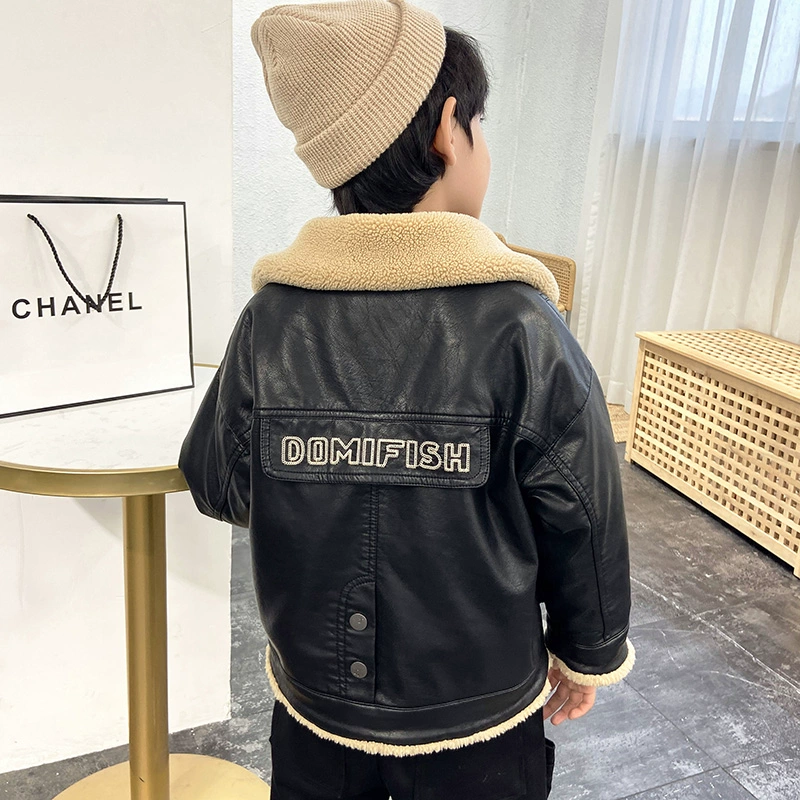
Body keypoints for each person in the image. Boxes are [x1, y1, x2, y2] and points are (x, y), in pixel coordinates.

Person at [179, 1, 635, 798]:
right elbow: (584, 516)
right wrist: (588, 652)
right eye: (480, 123)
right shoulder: (523, 326)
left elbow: (219, 483)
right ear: (448, 129)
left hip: (317, 709)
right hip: (480, 713)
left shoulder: (270, 321)